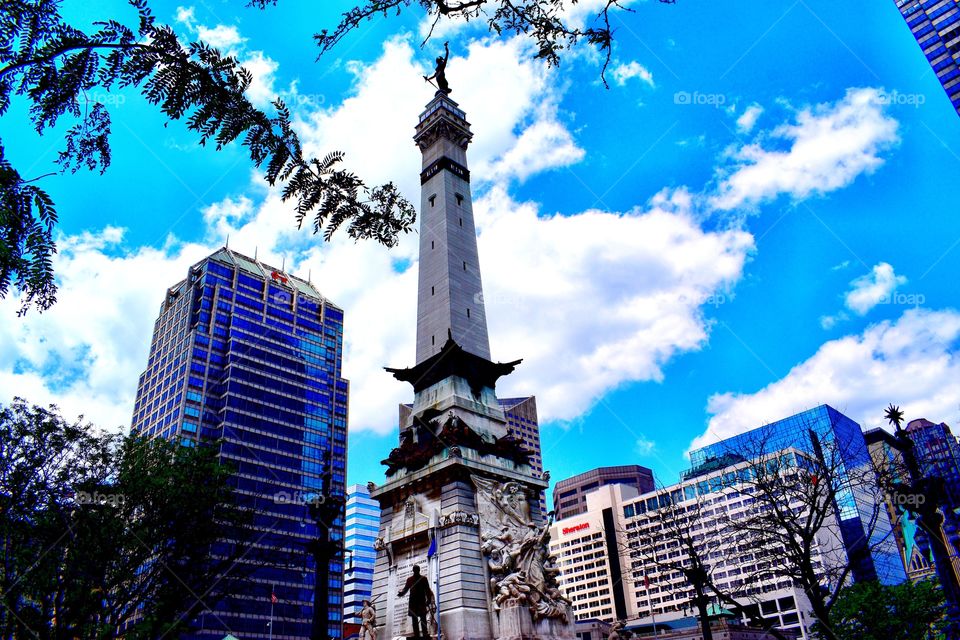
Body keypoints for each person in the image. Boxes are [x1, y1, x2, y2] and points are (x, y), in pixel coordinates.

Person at [398, 564, 434, 639]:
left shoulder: (424, 579)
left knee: (423, 618)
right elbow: (406, 589)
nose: (416, 571)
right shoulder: (409, 579)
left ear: (418, 570)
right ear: (413, 571)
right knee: (414, 619)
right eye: (415, 570)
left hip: (421, 601)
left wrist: (429, 600)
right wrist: (401, 593)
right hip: (413, 602)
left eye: (417, 570)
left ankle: (425, 633)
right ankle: (416, 634)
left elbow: (427, 590)